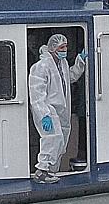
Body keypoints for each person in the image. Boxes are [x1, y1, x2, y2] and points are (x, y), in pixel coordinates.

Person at [28, 32, 87, 183]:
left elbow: (71, 77)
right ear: (53, 48)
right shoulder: (41, 67)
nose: (64, 49)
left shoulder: (63, 64)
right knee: (53, 138)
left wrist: (80, 61)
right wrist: (44, 114)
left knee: (61, 142)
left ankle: (51, 171)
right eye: (62, 47)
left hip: (61, 110)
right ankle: (41, 171)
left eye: (66, 46)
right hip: (48, 109)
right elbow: (36, 94)